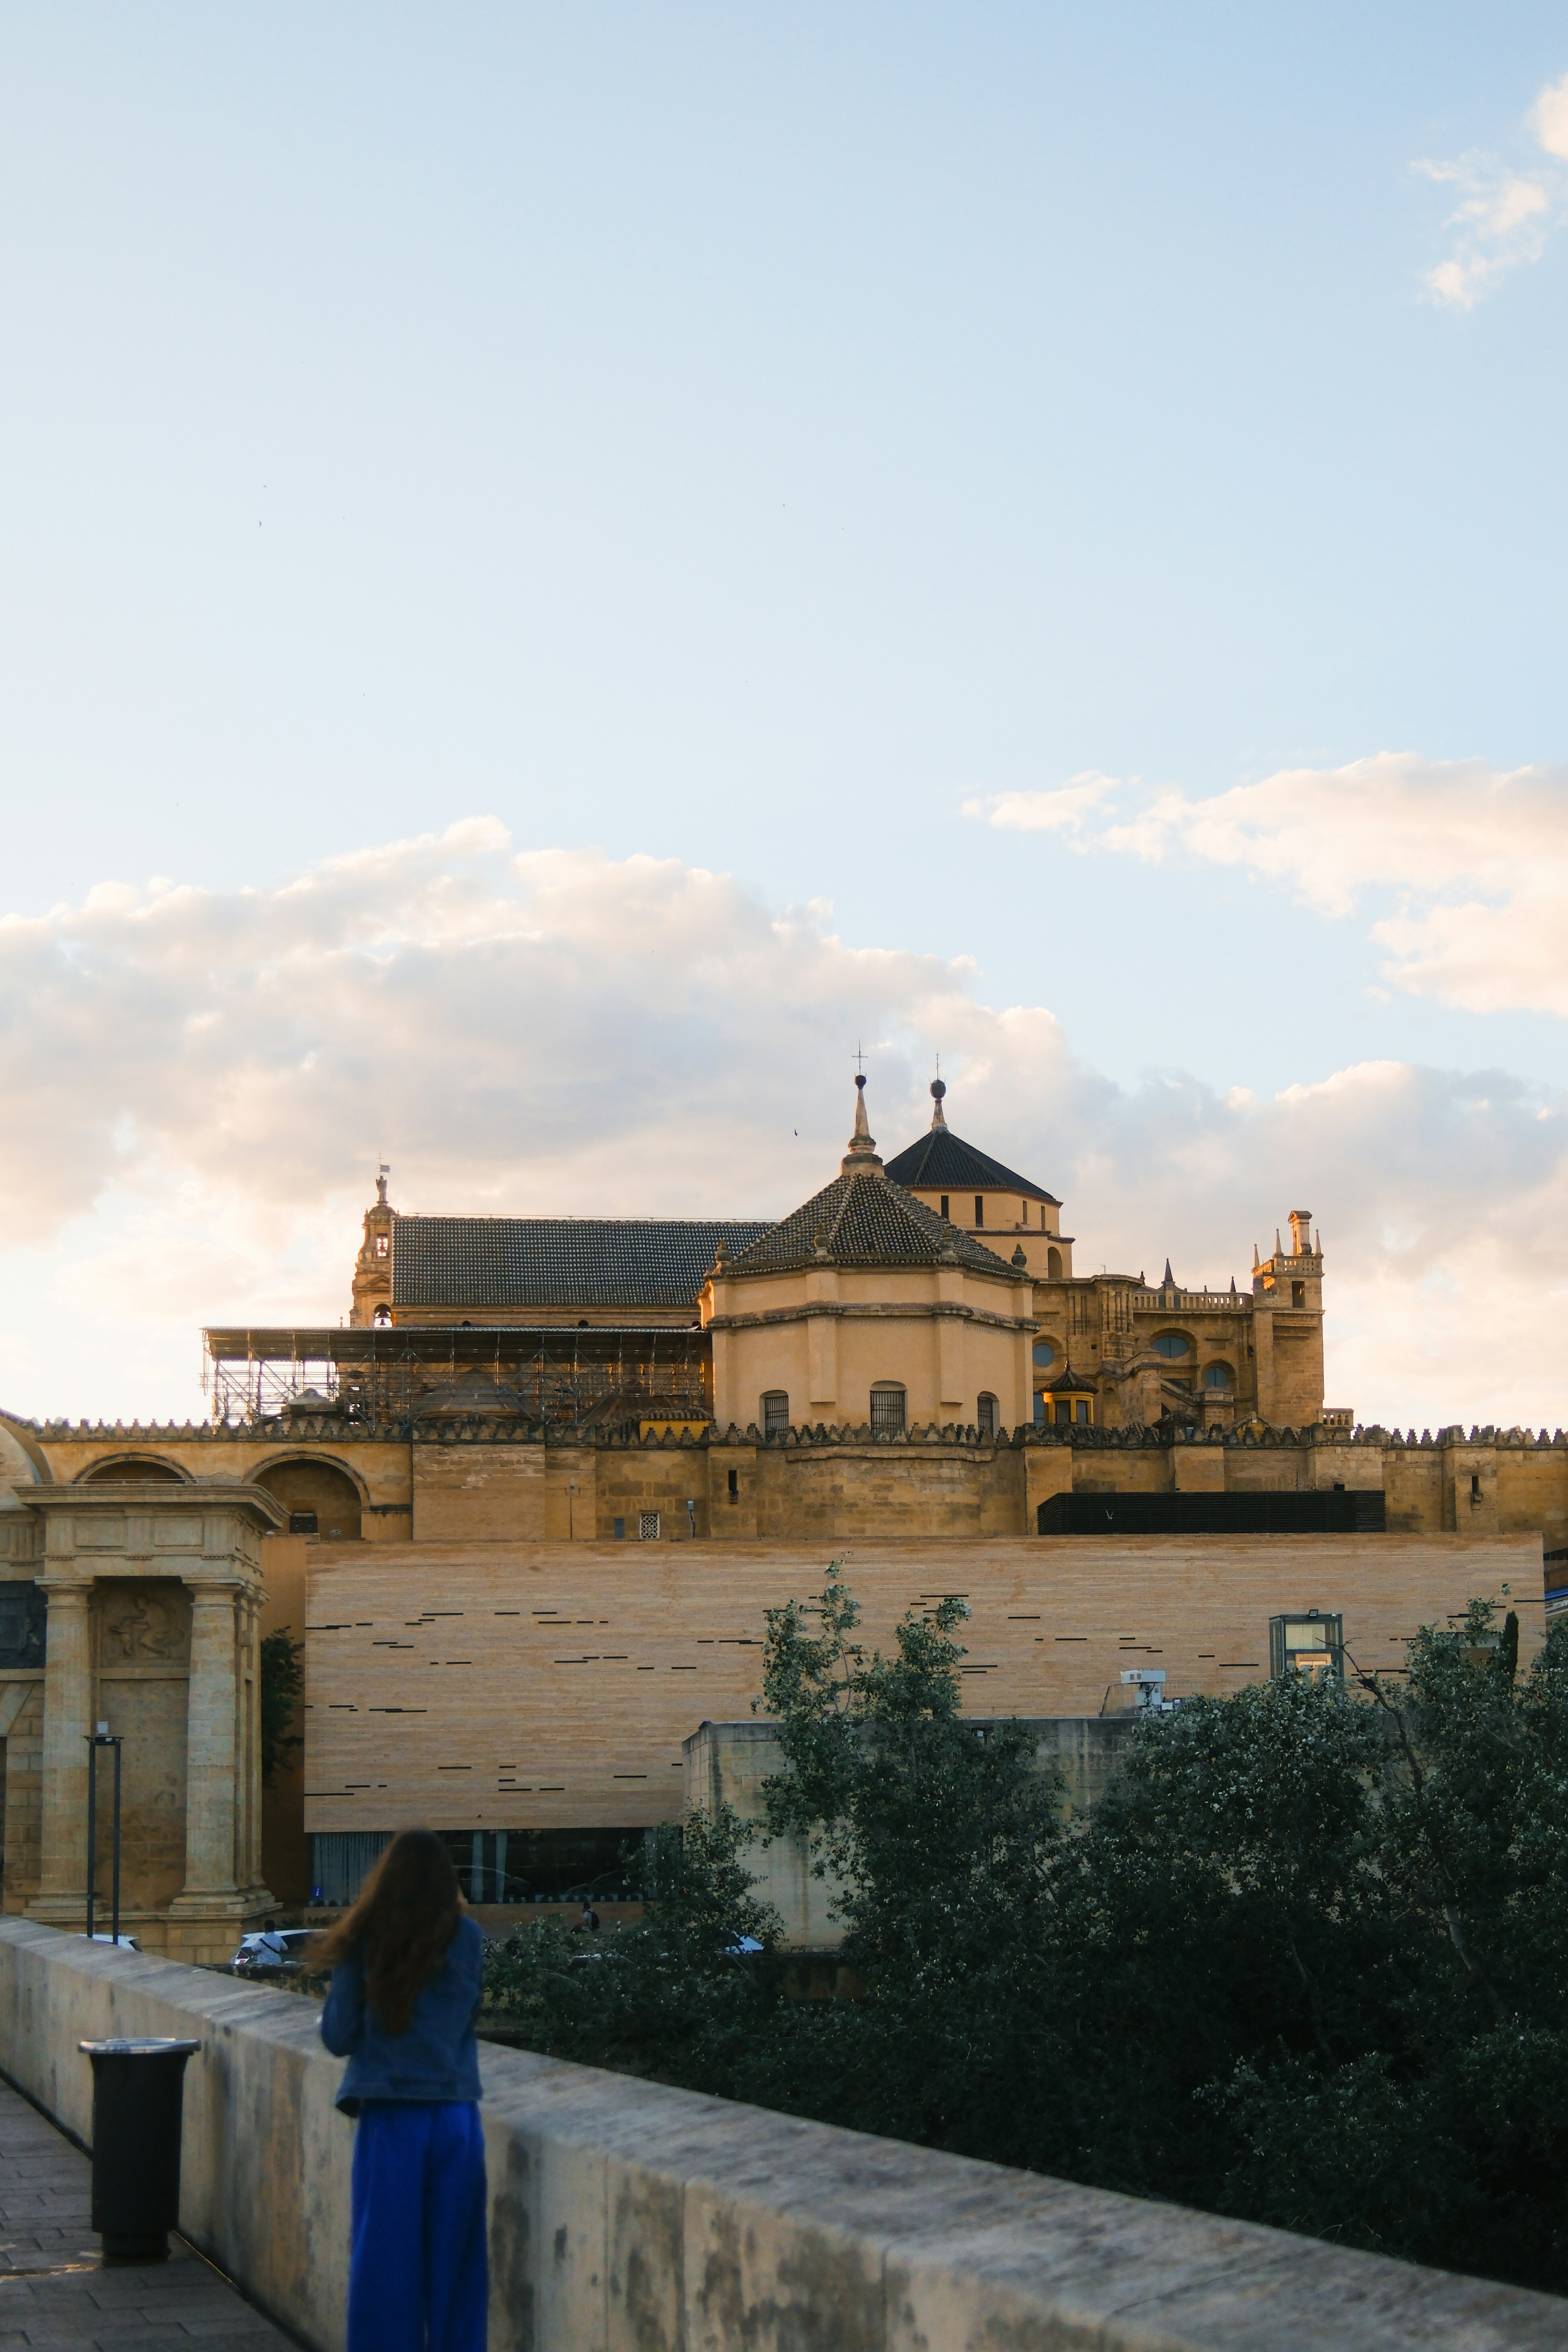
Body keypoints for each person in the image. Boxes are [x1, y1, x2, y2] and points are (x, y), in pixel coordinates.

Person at [318, 1831, 487, 2352]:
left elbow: (338, 2035)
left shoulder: (366, 1937)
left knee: (385, 2273)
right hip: (457, 2118)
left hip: (393, 2117)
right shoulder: (469, 1937)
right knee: (458, 2274)